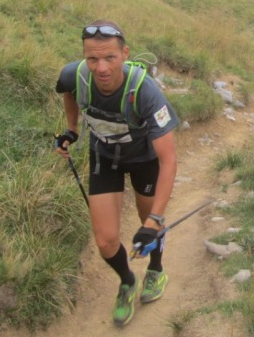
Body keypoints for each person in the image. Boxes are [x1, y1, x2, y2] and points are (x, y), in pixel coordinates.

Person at [53, 19, 179, 326]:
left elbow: (169, 160)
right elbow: (67, 91)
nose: (101, 68)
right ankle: (127, 281)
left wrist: (155, 219)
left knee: (149, 223)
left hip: (144, 160)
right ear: (84, 57)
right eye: (92, 58)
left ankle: (156, 270)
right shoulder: (74, 75)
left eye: (110, 57)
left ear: (124, 53)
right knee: (106, 241)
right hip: (104, 156)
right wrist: (72, 129)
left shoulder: (145, 91)